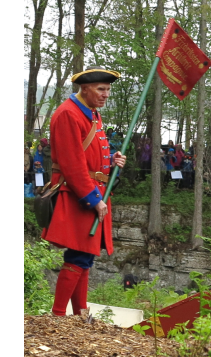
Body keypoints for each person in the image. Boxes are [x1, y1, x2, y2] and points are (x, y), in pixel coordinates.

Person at [41, 66, 127, 317]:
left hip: (92, 192)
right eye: (101, 89)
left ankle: (79, 313)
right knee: (79, 255)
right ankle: (58, 315)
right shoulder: (68, 114)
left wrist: (112, 161)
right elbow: (72, 164)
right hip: (77, 194)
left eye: (108, 90)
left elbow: (90, 157)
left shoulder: (91, 113)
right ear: (85, 88)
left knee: (85, 255)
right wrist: (93, 200)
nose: (106, 94)